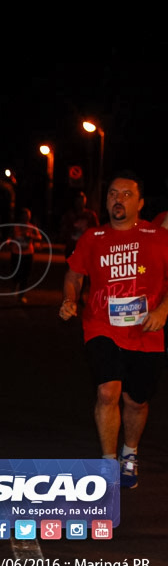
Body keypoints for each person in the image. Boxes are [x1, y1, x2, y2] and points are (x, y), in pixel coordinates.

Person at [59, 172, 168, 489]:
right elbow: (74, 275)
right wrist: (69, 299)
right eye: (112, 194)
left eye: (126, 194)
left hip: (146, 330)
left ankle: (129, 453)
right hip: (101, 325)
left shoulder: (158, 237)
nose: (117, 199)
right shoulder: (93, 238)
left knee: (137, 401)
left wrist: (163, 310)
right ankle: (108, 462)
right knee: (107, 391)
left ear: (141, 202)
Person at [9, 207, 43, 302]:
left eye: (27, 216)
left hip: (28, 254)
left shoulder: (32, 228)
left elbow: (39, 237)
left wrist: (30, 236)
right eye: (23, 216)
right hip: (16, 253)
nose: (25, 218)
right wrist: (10, 242)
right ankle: (14, 288)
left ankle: (21, 294)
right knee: (15, 273)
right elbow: (9, 237)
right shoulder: (15, 227)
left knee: (25, 275)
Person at [59, 190, 99, 257]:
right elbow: (63, 230)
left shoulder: (90, 215)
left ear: (85, 201)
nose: (79, 202)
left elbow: (97, 231)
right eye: (78, 200)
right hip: (72, 248)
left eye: (81, 200)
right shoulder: (69, 215)